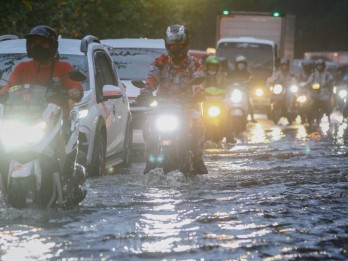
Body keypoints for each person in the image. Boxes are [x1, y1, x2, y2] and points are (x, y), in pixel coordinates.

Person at [0, 25, 85, 204]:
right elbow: (8, 88)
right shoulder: (22, 67)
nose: (38, 46)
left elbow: (75, 87)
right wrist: (3, 93)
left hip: (54, 120)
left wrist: (74, 92)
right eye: (34, 42)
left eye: (43, 43)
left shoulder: (63, 67)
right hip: (24, 119)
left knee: (56, 151)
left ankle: (65, 180)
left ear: (52, 46)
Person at [141, 24, 208, 175]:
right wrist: (146, 92)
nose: (175, 49)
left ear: (185, 44)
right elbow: (152, 77)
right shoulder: (160, 61)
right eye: (172, 46)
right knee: (147, 126)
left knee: (198, 127)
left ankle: (197, 159)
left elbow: (200, 79)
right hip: (163, 105)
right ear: (167, 45)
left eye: (179, 45)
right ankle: (150, 158)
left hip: (187, 104)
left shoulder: (194, 63)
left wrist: (198, 92)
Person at [228, 55, 256, 123]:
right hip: (233, 92)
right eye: (239, 63)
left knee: (249, 102)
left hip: (244, 92)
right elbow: (227, 80)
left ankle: (252, 117)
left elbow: (252, 81)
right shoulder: (232, 73)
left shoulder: (248, 73)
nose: (241, 65)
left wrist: (250, 84)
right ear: (236, 64)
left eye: (243, 63)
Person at [306, 59, 334, 123]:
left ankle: (328, 115)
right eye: (318, 65)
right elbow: (308, 83)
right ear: (316, 66)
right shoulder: (313, 75)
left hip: (324, 93)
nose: (320, 67)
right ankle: (309, 116)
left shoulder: (327, 74)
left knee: (327, 103)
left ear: (324, 66)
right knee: (308, 104)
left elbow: (331, 81)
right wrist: (311, 86)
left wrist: (328, 84)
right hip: (314, 93)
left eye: (321, 65)